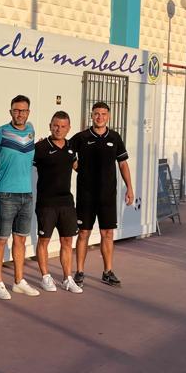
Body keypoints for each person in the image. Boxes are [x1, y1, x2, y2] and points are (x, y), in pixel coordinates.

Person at [70, 101, 134, 286]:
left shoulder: (115, 137)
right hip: (86, 195)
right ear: (91, 115)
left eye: (103, 114)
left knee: (107, 233)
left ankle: (107, 271)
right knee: (84, 233)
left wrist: (129, 187)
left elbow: (123, 163)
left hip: (107, 196)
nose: (100, 117)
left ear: (109, 116)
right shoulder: (81, 137)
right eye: (96, 113)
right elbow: (66, 151)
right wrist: (76, 166)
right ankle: (79, 272)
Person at [0, 95, 39, 299]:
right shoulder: (0, 133)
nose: (20, 114)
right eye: (16, 110)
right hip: (5, 194)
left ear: (28, 112)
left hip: (26, 195)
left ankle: (19, 281)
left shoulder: (31, 131)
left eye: (23, 110)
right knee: (1, 240)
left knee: (20, 240)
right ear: (10, 111)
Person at [33, 111, 82, 293]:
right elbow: (22, 164)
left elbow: (78, 168)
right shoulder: (40, 147)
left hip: (67, 203)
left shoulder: (71, 148)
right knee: (44, 240)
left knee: (67, 241)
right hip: (46, 203)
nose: (58, 129)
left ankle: (68, 278)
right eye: (55, 125)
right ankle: (45, 277)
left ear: (68, 128)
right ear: (50, 126)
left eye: (63, 126)